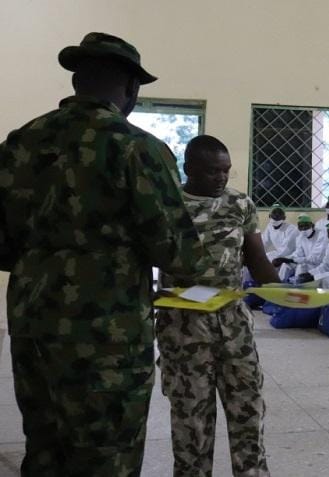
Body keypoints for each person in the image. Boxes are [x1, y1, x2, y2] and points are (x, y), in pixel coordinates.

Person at [0, 32, 207, 475]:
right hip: (107, 335)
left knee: (44, 446)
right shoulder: (138, 148)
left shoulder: (20, 143)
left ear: (77, 81)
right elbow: (178, 253)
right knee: (107, 454)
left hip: (33, 325)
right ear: (131, 88)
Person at [156, 135, 279, 476]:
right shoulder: (167, 204)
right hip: (182, 327)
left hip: (233, 325)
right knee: (190, 417)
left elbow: (257, 261)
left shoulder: (240, 205)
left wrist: (292, 292)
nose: (222, 178)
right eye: (212, 172)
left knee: (247, 410)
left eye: (226, 171)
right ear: (189, 168)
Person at [273, 215, 327, 281]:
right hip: (306, 263)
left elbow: (315, 259)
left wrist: (292, 260)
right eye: (301, 227)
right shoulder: (300, 237)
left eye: (306, 226)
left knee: (300, 267)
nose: (304, 229)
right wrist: (285, 259)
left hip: (318, 266)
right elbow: (298, 254)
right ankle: (280, 284)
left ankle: (298, 286)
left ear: (312, 226)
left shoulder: (321, 235)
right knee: (286, 265)